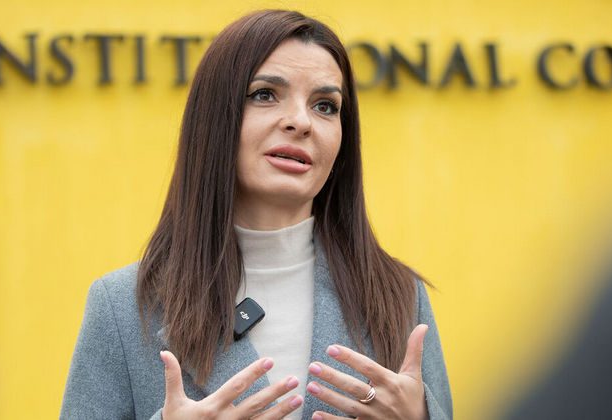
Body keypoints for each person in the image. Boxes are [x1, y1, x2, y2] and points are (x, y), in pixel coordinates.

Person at [61, 10, 452, 420]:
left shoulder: (399, 296)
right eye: (265, 94)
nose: (300, 122)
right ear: (215, 118)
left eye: (325, 105)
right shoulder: (122, 307)